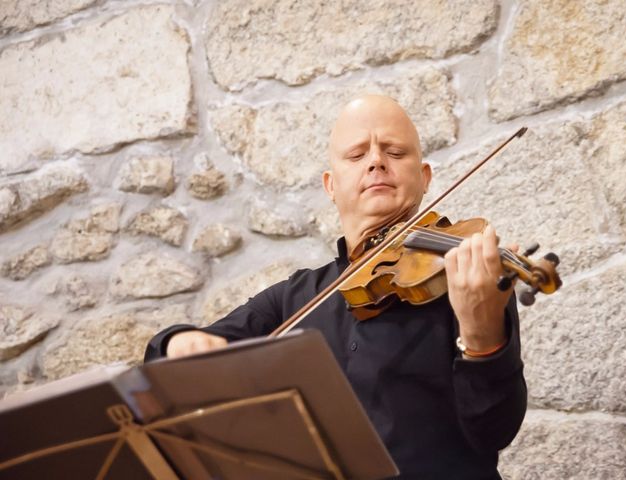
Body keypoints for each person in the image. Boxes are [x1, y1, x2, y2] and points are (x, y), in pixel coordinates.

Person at [145, 95, 527, 479]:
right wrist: (178, 343)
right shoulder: (294, 299)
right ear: (331, 185)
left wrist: (481, 335)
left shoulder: (466, 278)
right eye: (357, 155)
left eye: (395, 151)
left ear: (425, 177)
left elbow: (494, 431)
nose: (377, 161)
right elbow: (173, 355)